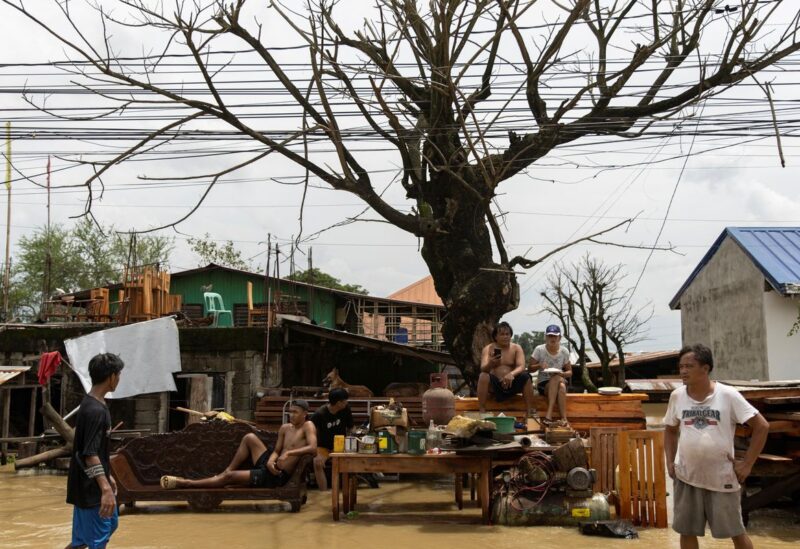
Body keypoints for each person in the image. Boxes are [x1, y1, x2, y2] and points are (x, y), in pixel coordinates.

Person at [664, 344, 769, 549]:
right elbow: (669, 429)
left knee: (736, 532)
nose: (683, 371)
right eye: (681, 366)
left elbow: (762, 426)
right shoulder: (677, 396)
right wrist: (669, 461)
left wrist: (747, 464)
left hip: (722, 477)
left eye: (689, 366)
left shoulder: (728, 395)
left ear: (705, 368)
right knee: (686, 531)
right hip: (686, 475)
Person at [161, 400, 317, 490]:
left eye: (295, 412)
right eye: (290, 412)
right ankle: (228, 469)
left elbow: (313, 448)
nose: (292, 415)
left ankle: (186, 483)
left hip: (276, 476)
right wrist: (270, 460)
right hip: (270, 464)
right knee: (249, 437)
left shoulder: (308, 426)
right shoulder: (285, 428)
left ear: (304, 414)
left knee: (229, 478)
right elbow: (276, 451)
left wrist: (290, 454)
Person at [66, 352, 125, 549]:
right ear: (111, 377)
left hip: (86, 484)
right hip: (90, 488)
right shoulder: (95, 411)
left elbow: (96, 450)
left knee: (100, 530)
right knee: (98, 540)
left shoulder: (95, 404)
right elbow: (90, 454)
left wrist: (108, 475)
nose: (119, 379)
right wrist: (105, 489)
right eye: (118, 374)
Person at [477, 321, 537, 417]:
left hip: (512, 383)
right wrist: (491, 363)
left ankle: (530, 411)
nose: (505, 337)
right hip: (496, 384)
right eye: (502, 334)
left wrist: (511, 374)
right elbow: (483, 368)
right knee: (483, 376)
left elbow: (521, 366)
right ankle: (482, 410)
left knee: (526, 376)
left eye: (507, 334)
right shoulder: (488, 348)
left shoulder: (516, 348)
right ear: (495, 337)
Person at [529, 324, 572, 426]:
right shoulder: (539, 349)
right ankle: (564, 419)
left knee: (558, 380)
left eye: (555, 336)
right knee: (560, 385)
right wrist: (539, 365)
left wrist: (562, 373)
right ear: (546, 337)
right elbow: (529, 368)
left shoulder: (564, 351)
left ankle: (550, 416)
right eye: (550, 336)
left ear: (559, 337)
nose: (552, 338)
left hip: (560, 379)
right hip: (543, 383)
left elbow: (570, 372)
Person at [311, 388, 353, 490]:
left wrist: (350, 443)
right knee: (317, 463)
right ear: (339, 403)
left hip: (340, 445)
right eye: (345, 400)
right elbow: (311, 434)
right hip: (323, 447)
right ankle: (323, 493)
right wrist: (316, 453)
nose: (347, 402)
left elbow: (351, 427)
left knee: (349, 461)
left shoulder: (346, 409)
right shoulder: (319, 414)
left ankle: (345, 491)